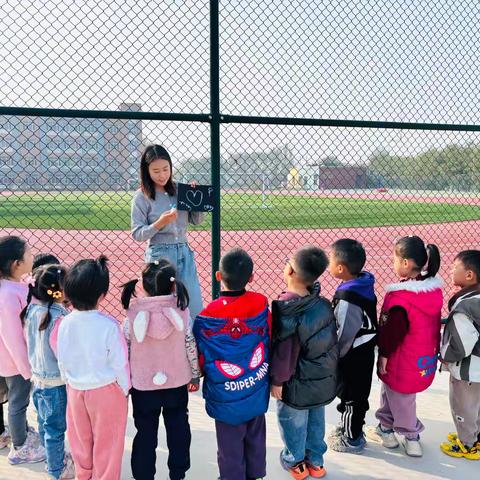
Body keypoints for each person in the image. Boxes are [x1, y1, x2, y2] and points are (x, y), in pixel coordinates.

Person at [193, 248, 271, 480]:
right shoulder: (259, 303)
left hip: (225, 394)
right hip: (256, 387)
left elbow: (200, 357)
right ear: (251, 277)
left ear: (218, 276)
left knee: (229, 445)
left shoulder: (208, 316)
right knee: (256, 436)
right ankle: (255, 474)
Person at [121, 259, 201, 480]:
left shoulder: (132, 314)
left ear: (142, 286)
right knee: (178, 428)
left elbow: (125, 349)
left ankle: (143, 475)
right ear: (174, 286)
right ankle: (178, 473)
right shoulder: (182, 312)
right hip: (176, 383)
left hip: (143, 386)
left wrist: (126, 380)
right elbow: (190, 345)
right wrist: (194, 373)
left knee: (145, 433)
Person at [366, 235, 443, 457]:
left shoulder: (401, 299)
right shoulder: (431, 291)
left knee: (402, 398)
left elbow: (392, 333)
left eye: (395, 259)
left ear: (406, 263)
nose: (394, 262)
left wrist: (384, 355)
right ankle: (385, 429)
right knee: (392, 392)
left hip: (402, 359)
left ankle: (412, 436)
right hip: (422, 357)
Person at [57, 256, 130, 480]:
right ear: (102, 295)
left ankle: (84, 475)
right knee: (108, 443)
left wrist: (68, 380)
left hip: (76, 389)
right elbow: (120, 363)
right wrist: (125, 389)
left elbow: (62, 358)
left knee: (80, 439)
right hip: (107, 390)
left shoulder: (64, 323)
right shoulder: (109, 325)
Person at [270, 246, 338, 480]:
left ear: (289, 270)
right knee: (316, 421)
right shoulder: (322, 304)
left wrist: (277, 381)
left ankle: (295, 461)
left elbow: (284, 353)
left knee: (293, 422)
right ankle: (316, 462)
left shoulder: (288, 310)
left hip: (296, 383)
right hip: (320, 380)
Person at [131, 144, 204, 319]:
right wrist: (159, 223)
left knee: (193, 304)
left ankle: (192, 344)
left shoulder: (180, 190)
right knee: (160, 307)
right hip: (159, 256)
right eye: (156, 171)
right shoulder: (141, 197)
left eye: (166, 169)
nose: (162, 175)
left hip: (184, 252)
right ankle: (163, 344)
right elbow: (137, 233)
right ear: (146, 171)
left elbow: (197, 221)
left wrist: (196, 201)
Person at [21, 264, 75, 479]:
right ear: (60, 290)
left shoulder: (31, 310)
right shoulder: (58, 317)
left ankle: (50, 457)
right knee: (55, 429)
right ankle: (56, 469)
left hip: (38, 378)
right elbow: (62, 353)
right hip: (56, 383)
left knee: (45, 423)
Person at [327, 239, 377, 454]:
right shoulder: (362, 283)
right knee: (355, 394)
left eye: (331, 260)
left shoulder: (348, 297)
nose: (328, 264)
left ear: (340, 268)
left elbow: (345, 333)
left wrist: (335, 356)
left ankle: (352, 438)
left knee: (351, 397)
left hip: (354, 354)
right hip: (363, 351)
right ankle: (352, 427)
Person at [0, 235, 45, 465]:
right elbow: (12, 338)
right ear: (16, 264)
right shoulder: (8, 295)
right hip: (13, 362)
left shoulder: (12, 286)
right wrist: (26, 369)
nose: (32, 256)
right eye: (28, 253)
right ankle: (20, 447)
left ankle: (13, 434)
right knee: (18, 403)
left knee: (8, 400)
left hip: (7, 360)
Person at [439, 250, 480, 460]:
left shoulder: (466, 307)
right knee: (477, 405)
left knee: (463, 406)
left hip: (468, 370)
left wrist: (443, 354)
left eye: (455, 268)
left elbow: (461, 345)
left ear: (470, 275)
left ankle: (468, 445)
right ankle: (475, 436)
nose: (451, 271)